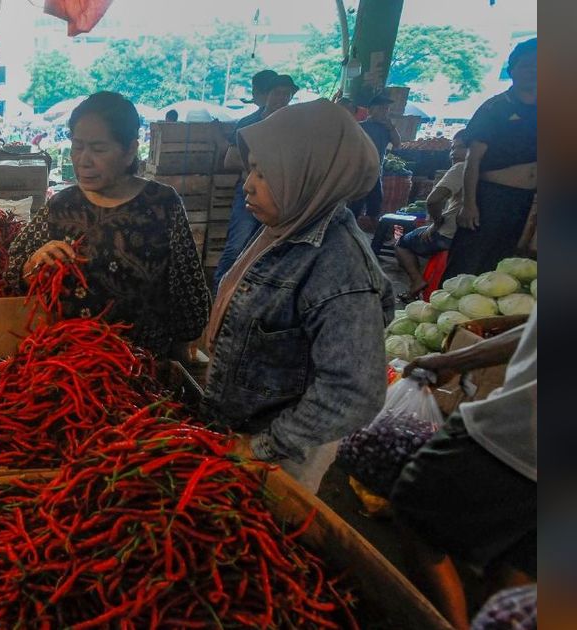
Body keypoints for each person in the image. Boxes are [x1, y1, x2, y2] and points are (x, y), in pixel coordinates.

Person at [203, 99, 393, 493]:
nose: (248, 184)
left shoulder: (340, 267)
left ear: (311, 174)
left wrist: (264, 446)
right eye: (251, 167)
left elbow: (354, 391)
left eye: (265, 172)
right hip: (237, 428)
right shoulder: (286, 224)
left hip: (280, 454)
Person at [6, 92, 210, 369]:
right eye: (77, 146)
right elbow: (13, 267)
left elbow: (189, 295)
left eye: (98, 149)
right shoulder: (61, 205)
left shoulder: (163, 204)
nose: (83, 160)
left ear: (130, 150)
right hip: (66, 368)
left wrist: (183, 348)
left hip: (139, 369)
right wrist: (31, 264)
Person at [391, 308, 536, 629]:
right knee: (517, 560)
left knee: (414, 509)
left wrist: (451, 361)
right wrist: (454, 361)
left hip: (522, 434)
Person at [444, 38, 537, 280]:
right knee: (467, 262)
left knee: (499, 266)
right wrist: (469, 204)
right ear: (512, 70)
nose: (534, 71)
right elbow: (472, 161)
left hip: (523, 200)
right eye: (527, 65)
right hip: (489, 198)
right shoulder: (495, 108)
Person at [213, 71, 294, 291]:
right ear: (266, 96)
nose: (282, 99)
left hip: (281, 196)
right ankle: (218, 295)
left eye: (287, 95)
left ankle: (251, 296)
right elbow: (230, 159)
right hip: (251, 193)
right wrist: (261, 165)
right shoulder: (249, 123)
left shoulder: (293, 126)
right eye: (277, 93)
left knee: (270, 248)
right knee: (237, 245)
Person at [395, 130, 470, 301]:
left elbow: (433, 200)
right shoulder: (490, 171)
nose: (453, 153)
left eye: (460, 148)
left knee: (402, 243)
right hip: (469, 236)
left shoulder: (461, 168)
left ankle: (417, 281)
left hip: (447, 234)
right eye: (452, 148)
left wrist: (436, 223)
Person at [348, 92, 402, 231]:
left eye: (386, 109)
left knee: (375, 203)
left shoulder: (387, 128)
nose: (384, 112)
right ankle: (349, 229)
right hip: (359, 173)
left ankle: (375, 230)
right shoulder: (360, 126)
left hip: (376, 173)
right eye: (381, 108)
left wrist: (391, 127)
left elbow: (397, 143)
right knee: (355, 204)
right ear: (370, 110)